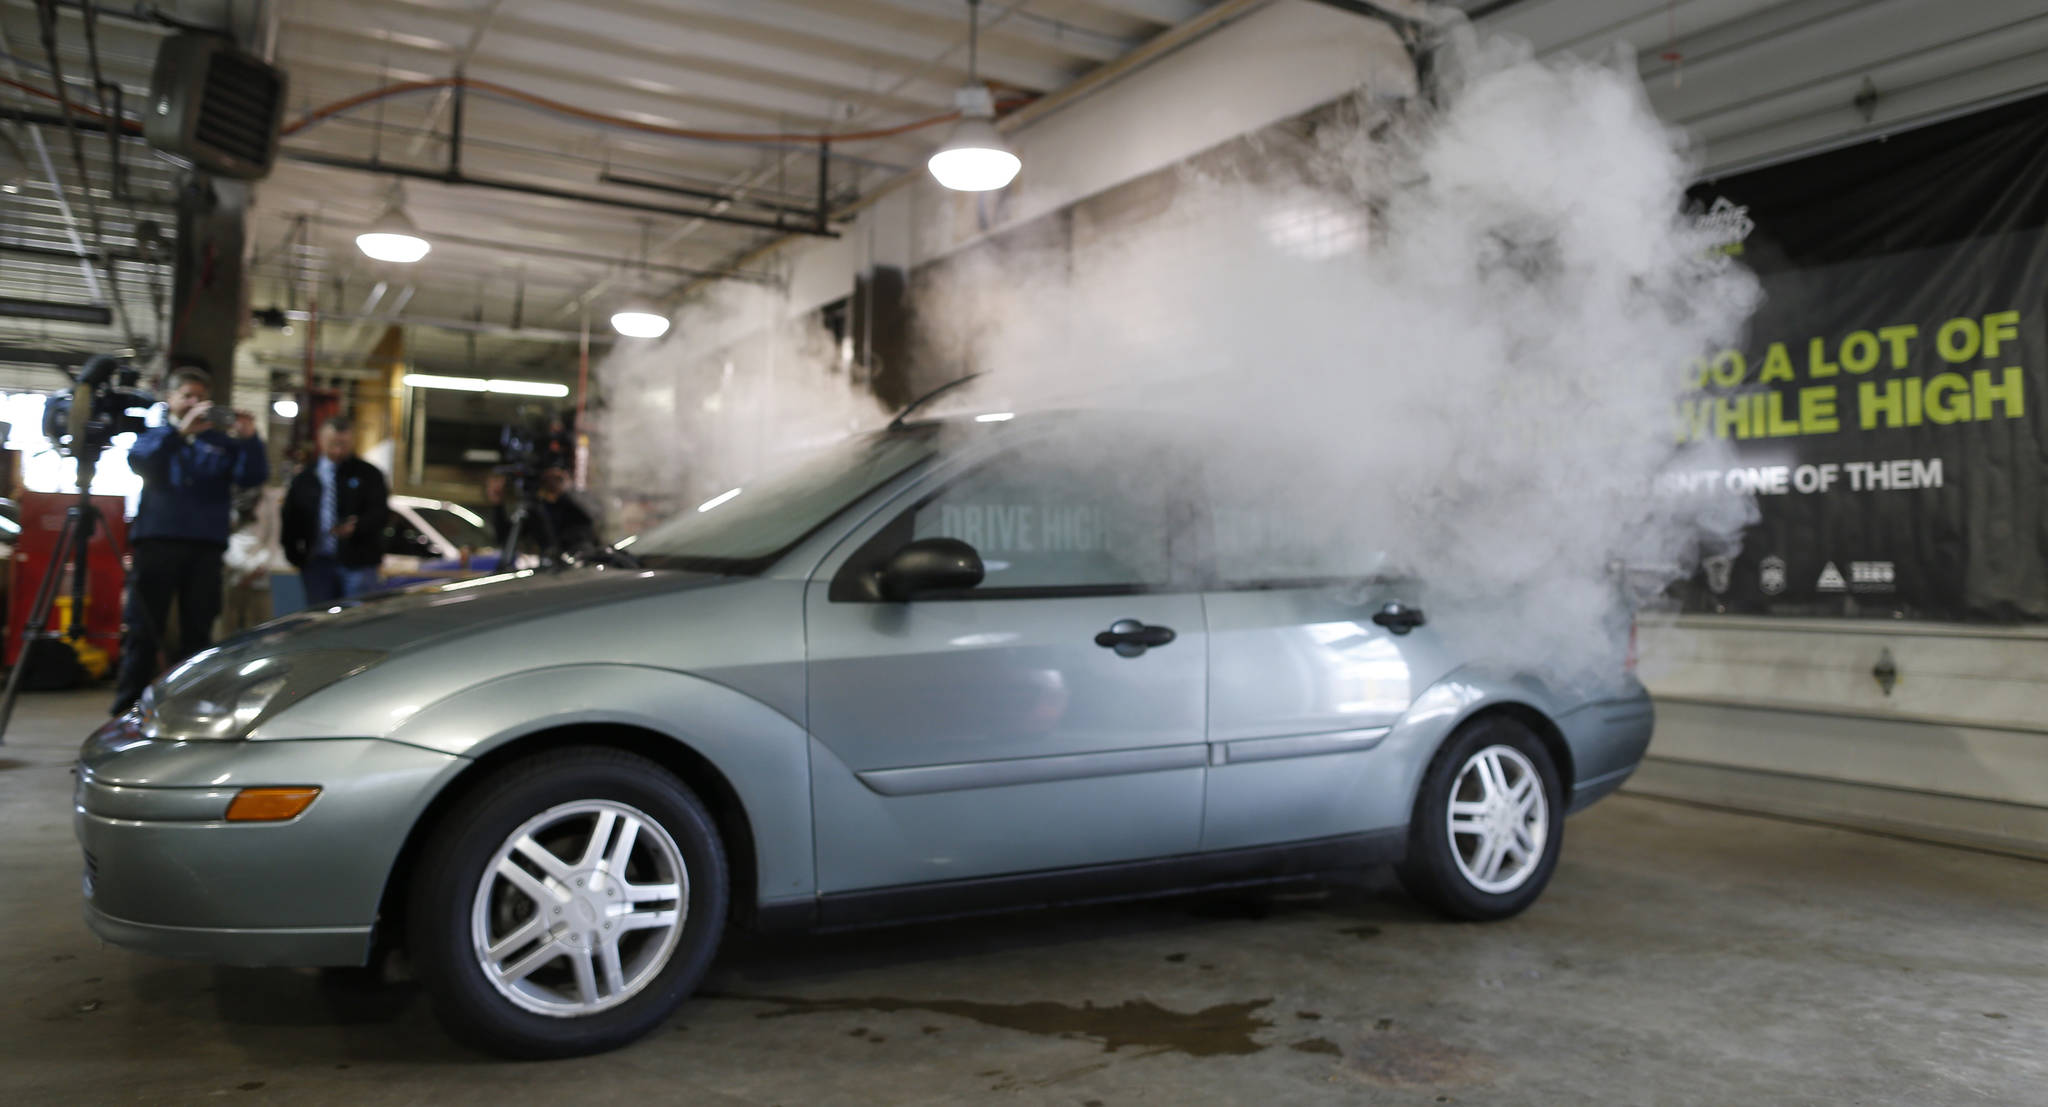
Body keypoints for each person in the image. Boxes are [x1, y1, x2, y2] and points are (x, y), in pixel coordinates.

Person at [112, 364, 269, 715]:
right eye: (187, 396)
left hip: (204, 548)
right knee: (143, 627)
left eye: (200, 397)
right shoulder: (155, 436)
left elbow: (252, 476)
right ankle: (127, 706)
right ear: (170, 399)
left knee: (198, 628)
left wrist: (250, 439)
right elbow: (141, 463)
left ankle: (189, 704)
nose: (194, 403)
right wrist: (180, 433)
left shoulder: (222, 443)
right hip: (156, 544)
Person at [282, 415, 390, 605]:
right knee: (320, 620)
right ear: (321, 439)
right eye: (333, 443)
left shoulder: (369, 474)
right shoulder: (305, 478)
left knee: (357, 619)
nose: (338, 450)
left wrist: (357, 527)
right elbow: (290, 518)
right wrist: (295, 556)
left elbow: (380, 513)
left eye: (344, 444)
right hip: (317, 563)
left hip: (358, 561)